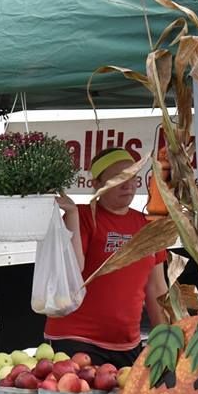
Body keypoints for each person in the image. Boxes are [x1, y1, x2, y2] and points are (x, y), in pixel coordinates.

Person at [45, 147, 168, 367]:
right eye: (118, 178)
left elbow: (157, 289)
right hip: (77, 341)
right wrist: (71, 214)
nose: (128, 184)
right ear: (96, 184)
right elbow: (74, 271)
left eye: (133, 177)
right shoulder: (82, 216)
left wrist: (167, 340)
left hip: (128, 345)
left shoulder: (147, 226)